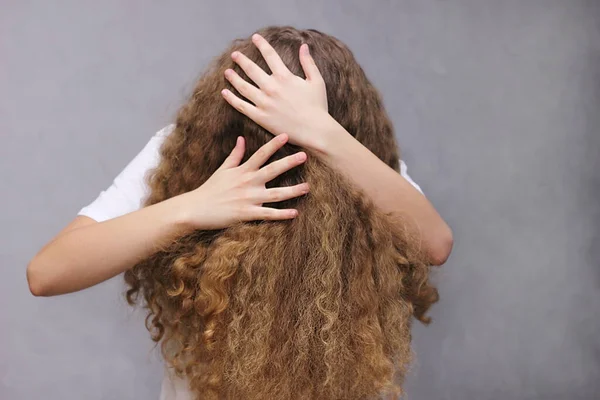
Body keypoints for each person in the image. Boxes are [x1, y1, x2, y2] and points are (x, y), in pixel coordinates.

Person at [27, 26, 453, 400]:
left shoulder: (368, 168)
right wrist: (193, 206)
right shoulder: (180, 156)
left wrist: (323, 134)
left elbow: (435, 244)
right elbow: (47, 273)